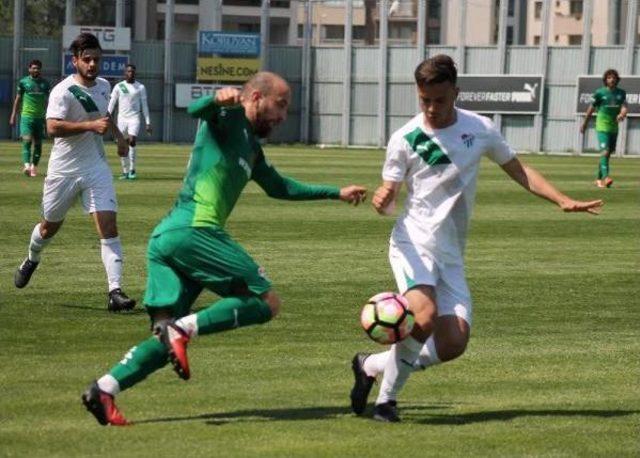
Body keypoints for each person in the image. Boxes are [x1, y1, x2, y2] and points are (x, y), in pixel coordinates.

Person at [81, 71, 368, 426]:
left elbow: (280, 187)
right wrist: (217, 99)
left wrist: (335, 193)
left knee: (163, 339)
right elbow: (196, 110)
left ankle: (104, 389)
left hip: (170, 239)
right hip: (192, 231)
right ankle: (183, 330)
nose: (283, 116)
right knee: (266, 301)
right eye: (280, 105)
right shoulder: (227, 117)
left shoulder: (252, 147)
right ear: (256, 97)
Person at [349, 54, 604, 423]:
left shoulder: (480, 128)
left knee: (453, 343)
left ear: (455, 92)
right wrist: (382, 200)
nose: (432, 108)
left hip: (450, 251)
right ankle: (386, 403)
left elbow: (519, 169)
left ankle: (369, 365)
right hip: (412, 243)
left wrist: (563, 199)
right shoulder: (405, 138)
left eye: (439, 99)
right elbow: (387, 194)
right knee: (424, 315)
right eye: (424, 100)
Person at [13, 33, 136, 313]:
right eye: (87, 59)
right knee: (48, 227)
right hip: (64, 171)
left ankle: (114, 292)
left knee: (109, 228)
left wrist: (118, 138)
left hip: (95, 168)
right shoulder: (63, 91)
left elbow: (106, 117)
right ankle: (32, 258)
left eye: (96, 59)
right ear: (75, 61)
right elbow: (52, 128)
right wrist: (89, 127)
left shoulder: (105, 86)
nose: (93, 64)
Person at [580, 68, 627, 188]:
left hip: (614, 127)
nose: (611, 80)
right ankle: (606, 178)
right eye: (609, 78)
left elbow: (624, 106)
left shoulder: (621, 93)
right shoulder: (599, 93)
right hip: (602, 125)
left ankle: (598, 179)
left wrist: (622, 114)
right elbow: (591, 108)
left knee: (607, 154)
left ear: (617, 80)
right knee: (605, 152)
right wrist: (585, 123)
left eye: (613, 78)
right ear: (605, 80)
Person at [107, 64, 151, 180]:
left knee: (132, 141)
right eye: (128, 72)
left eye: (132, 72)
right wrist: (107, 116)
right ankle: (125, 171)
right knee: (122, 143)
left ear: (135, 74)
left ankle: (132, 169)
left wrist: (148, 122)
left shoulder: (140, 87)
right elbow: (112, 102)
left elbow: (145, 105)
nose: (130, 74)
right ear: (125, 73)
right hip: (121, 119)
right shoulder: (119, 86)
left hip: (134, 118)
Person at [9, 59, 51, 177]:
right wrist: (13, 115)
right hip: (26, 117)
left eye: (38, 68)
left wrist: (49, 117)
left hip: (40, 118)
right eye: (33, 68)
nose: (35, 70)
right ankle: (27, 166)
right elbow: (17, 100)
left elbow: (49, 102)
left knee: (38, 144)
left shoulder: (45, 84)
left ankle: (34, 167)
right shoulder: (23, 82)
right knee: (26, 141)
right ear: (29, 69)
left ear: (40, 70)